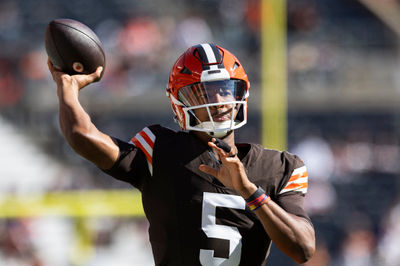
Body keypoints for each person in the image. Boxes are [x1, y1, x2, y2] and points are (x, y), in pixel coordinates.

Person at [47, 43, 315, 265]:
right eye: (204, 92)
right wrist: (67, 88)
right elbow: (82, 136)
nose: (220, 100)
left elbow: (303, 248)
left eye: (225, 89)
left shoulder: (279, 167)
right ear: (180, 102)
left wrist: (250, 192)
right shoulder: (160, 149)